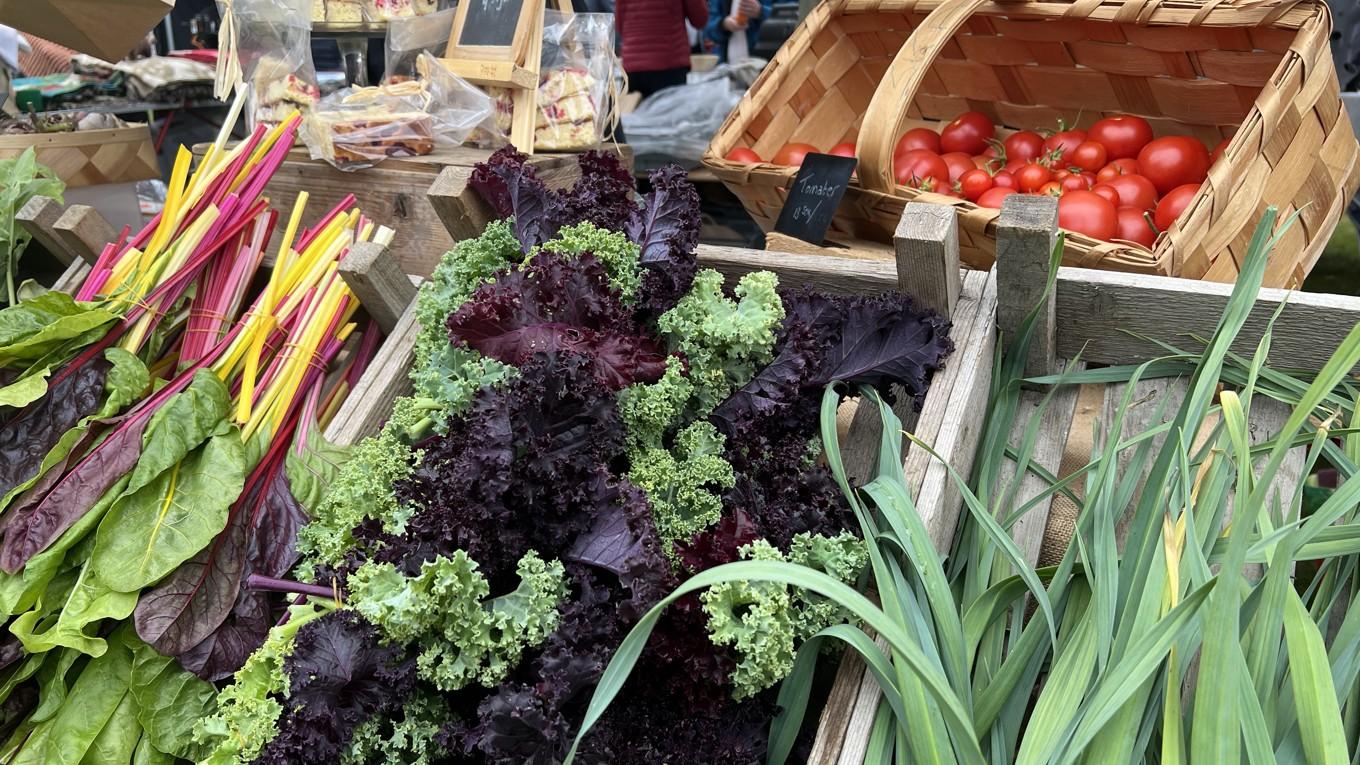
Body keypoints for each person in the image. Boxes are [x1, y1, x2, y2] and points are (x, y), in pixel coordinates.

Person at [616, 0, 708, 99]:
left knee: (632, 113)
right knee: (670, 113)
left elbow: (619, 24)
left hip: (633, 68)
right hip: (669, 66)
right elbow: (699, 19)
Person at [704, 0, 772, 64]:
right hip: (727, 66)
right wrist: (723, 24)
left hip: (765, 64)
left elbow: (781, 19)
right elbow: (708, 29)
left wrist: (761, 12)